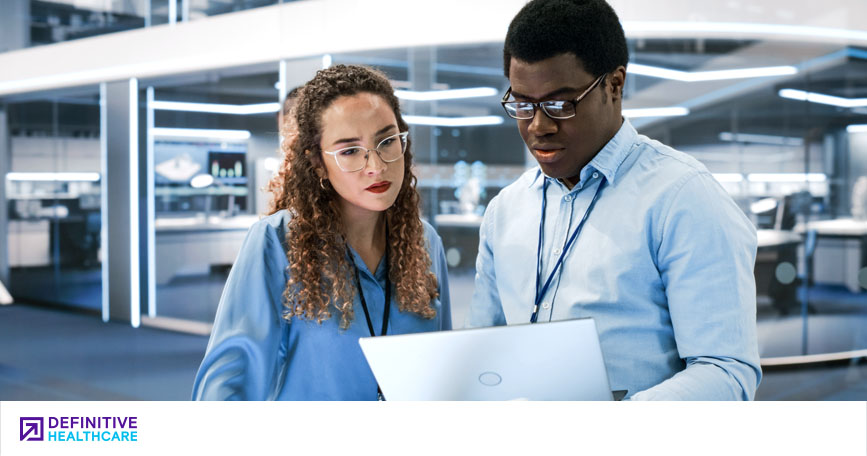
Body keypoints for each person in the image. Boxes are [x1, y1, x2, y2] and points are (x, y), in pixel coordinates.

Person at [467, 0, 761, 400]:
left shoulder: (683, 198)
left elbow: (727, 372)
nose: (539, 125)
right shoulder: (505, 211)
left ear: (614, 85)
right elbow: (484, 352)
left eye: (560, 103)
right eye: (522, 104)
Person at [193, 64, 452, 400]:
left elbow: (443, 372)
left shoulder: (425, 242)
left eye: (387, 141)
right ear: (317, 163)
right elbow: (225, 390)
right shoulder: (277, 242)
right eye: (349, 151)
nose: (376, 166)